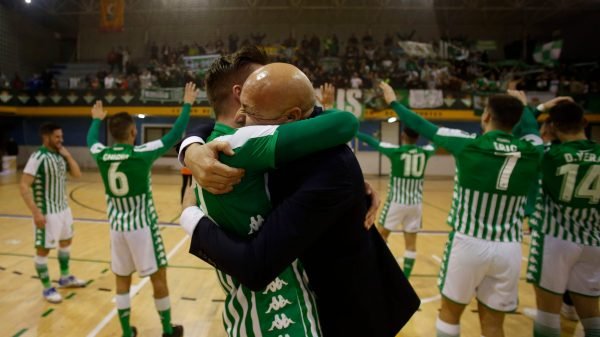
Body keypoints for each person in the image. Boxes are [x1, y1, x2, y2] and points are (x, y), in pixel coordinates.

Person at [179, 46, 419, 337]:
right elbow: (221, 125)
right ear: (238, 93)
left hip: (349, 313)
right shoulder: (244, 139)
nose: (244, 113)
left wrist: (188, 215)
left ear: (291, 114)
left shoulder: (327, 165)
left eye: (260, 94)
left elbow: (255, 264)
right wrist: (190, 147)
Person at [184, 62, 360, 337]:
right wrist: (189, 217)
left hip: (241, 317)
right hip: (286, 318)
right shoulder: (243, 143)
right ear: (239, 93)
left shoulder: (209, 148)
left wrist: (189, 146)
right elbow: (345, 123)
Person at [379, 81, 542, 337]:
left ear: (486, 116)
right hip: (509, 247)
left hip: (468, 243)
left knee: (450, 314)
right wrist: (526, 108)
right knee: (494, 324)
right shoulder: (533, 150)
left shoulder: (467, 144)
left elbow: (421, 125)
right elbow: (532, 129)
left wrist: (393, 102)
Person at [86, 83, 196, 337]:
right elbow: (174, 135)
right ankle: (168, 330)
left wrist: (95, 121)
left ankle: (126, 332)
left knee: (122, 280)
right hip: (142, 228)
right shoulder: (141, 153)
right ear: (133, 132)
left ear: (113, 135)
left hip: (116, 229)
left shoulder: (101, 154)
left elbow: (91, 140)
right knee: (159, 278)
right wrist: (187, 103)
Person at [526, 99, 600, 337]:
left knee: (548, 316)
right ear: (585, 122)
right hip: (593, 241)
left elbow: (521, 124)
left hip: (554, 240)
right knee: (592, 316)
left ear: (553, 127)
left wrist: (543, 106)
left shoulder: (548, 153)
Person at [356, 127, 436, 278]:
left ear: (402, 135)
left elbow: (371, 140)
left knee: (381, 236)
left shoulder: (395, 151)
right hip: (416, 205)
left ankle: (379, 269)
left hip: (396, 203)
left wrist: (354, 132)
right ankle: (405, 277)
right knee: (411, 244)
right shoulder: (425, 152)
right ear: (418, 137)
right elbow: (436, 143)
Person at [19, 123, 85, 303]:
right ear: (46, 137)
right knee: (43, 251)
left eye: (61, 136)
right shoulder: (37, 157)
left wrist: (68, 155)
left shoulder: (60, 155)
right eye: (57, 137)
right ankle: (47, 288)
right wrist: (35, 213)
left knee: (66, 242)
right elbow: (24, 185)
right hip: (47, 212)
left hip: (63, 209)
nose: (61, 140)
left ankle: (65, 277)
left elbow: (77, 174)